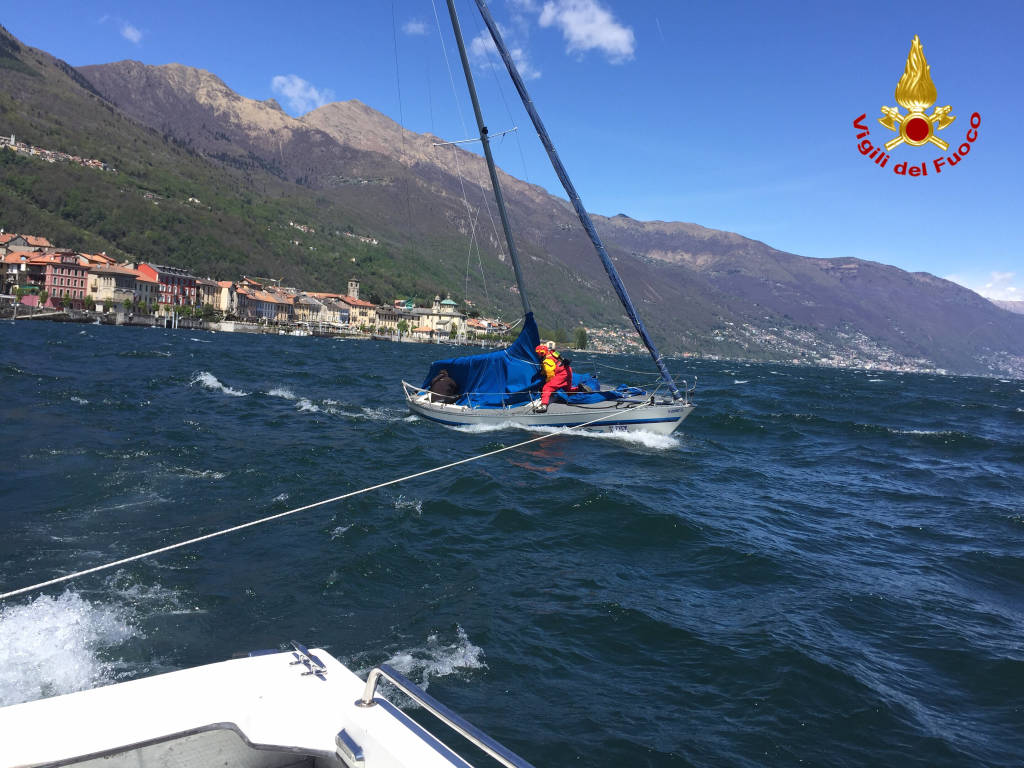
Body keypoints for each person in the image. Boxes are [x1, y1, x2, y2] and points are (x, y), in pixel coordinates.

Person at [534, 344, 573, 412]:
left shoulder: (547, 361)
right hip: (568, 370)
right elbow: (560, 356)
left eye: (538, 353)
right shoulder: (552, 352)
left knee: (547, 387)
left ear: (542, 353)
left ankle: (543, 405)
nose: (538, 355)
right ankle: (581, 390)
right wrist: (542, 373)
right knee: (568, 390)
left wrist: (548, 382)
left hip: (561, 373)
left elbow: (550, 373)